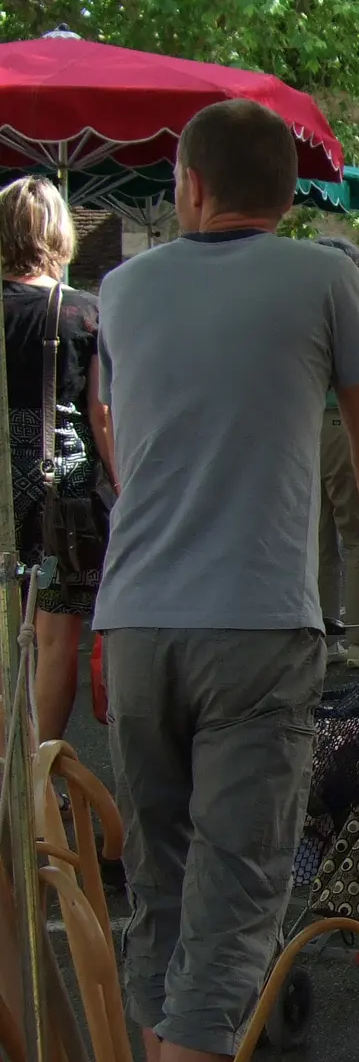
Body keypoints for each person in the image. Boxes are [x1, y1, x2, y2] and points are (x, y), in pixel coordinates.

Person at [97, 98, 359, 1062]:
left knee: (161, 898)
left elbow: (122, 441)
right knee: (235, 908)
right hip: (256, 624)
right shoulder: (323, 278)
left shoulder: (122, 295)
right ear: (287, 195)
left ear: (186, 186)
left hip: (137, 623)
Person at [0, 176, 115, 741]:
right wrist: (124, 487)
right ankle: (44, 773)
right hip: (61, 497)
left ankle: (7, 784)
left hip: (2, 490)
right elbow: (101, 416)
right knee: (54, 641)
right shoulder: (84, 313)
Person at [312, 234, 359, 668]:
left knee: (316, 539)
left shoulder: (295, 309)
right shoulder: (345, 312)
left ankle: (323, 638)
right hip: (340, 421)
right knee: (357, 536)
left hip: (303, 425)